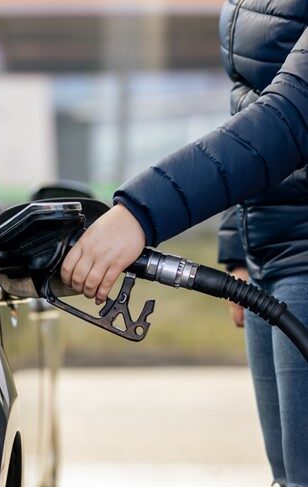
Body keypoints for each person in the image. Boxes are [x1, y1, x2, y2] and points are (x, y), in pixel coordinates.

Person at [60, 3, 308, 486]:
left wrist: (140, 213)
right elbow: (252, 99)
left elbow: (290, 118)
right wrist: (240, 244)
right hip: (270, 255)